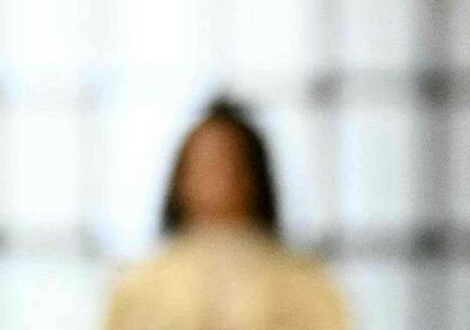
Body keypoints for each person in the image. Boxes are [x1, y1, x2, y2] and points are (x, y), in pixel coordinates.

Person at [101, 97, 346, 330]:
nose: (215, 178)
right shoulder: (139, 286)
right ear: (178, 178)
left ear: (255, 175)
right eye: (203, 164)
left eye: (228, 163)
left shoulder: (301, 286)